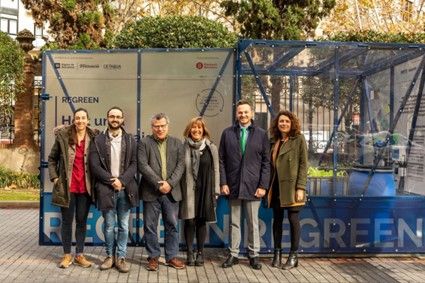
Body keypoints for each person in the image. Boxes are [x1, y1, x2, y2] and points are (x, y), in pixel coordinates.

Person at [219, 99, 270, 270]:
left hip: (253, 186)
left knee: (253, 222)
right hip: (233, 185)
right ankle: (233, 254)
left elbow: (266, 162)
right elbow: (221, 160)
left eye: (246, 112)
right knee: (234, 222)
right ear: (236, 114)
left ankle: (254, 255)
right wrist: (223, 182)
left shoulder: (261, 134)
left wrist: (263, 185)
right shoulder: (227, 133)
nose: (243, 115)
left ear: (252, 114)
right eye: (240, 112)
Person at [89, 106, 138, 273]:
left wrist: (122, 181)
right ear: (107, 118)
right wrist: (112, 181)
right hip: (106, 189)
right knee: (109, 226)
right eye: (112, 116)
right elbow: (94, 165)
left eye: (118, 116)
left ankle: (121, 257)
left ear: (122, 120)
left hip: (126, 189)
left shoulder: (131, 140)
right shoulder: (98, 140)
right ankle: (110, 256)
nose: (115, 119)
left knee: (124, 225)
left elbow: (134, 164)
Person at [48, 108, 97, 268]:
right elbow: (52, 158)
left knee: (82, 222)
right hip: (67, 188)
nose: (80, 121)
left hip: (86, 188)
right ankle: (67, 255)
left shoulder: (94, 136)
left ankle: (80, 255)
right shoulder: (63, 136)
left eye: (83, 118)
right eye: (77, 118)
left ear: (88, 120)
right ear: (74, 120)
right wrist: (55, 178)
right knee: (67, 222)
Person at [138, 113, 185, 271]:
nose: (160, 129)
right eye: (156, 126)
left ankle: (171, 256)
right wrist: (159, 184)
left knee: (171, 225)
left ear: (167, 126)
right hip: (151, 191)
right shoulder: (144, 143)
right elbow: (143, 166)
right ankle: (153, 257)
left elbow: (181, 166)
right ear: (152, 127)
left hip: (171, 192)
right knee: (149, 226)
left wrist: (169, 184)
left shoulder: (177, 143)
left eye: (162, 126)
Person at [267, 110, 307, 269]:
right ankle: (277, 253)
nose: (283, 124)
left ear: (292, 124)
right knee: (277, 220)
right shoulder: (273, 140)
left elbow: (304, 164)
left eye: (287, 121)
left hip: (292, 187)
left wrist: (301, 187)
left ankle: (293, 255)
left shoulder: (298, 139)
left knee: (293, 220)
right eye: (281, 121)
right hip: (276, 186)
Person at [179, 117, 220, 266]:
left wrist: (216, 191)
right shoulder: (183, 146)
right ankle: (189, 252)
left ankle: (200, 253)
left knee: (202, 221)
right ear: (189, 130)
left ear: (204, 130)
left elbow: (216, 169)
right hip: (188, 189)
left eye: (199, 128)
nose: (196, 130)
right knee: (189, 221)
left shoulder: (211, 147)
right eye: (193, 128)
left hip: (206, 189)